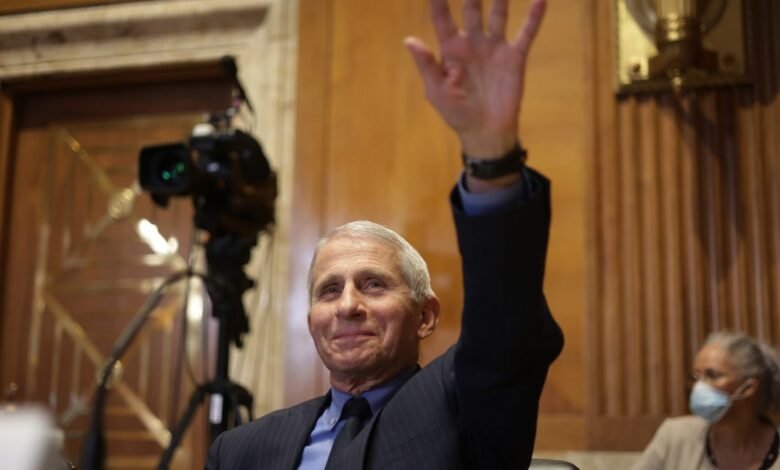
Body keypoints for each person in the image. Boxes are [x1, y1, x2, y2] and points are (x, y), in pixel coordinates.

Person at [205, 0, 563, 468]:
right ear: (312, 321)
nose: (347, 305)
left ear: (425, 316)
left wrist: (491, 155)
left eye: (374, 284)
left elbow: (505, 323)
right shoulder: (239, 450)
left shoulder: (463, 406)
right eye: (329, 290)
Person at [632, 331, 780, 470]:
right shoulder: (675, 436)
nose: (699, 386)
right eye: (697, 376)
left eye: (712, 375)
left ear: (748, 388)